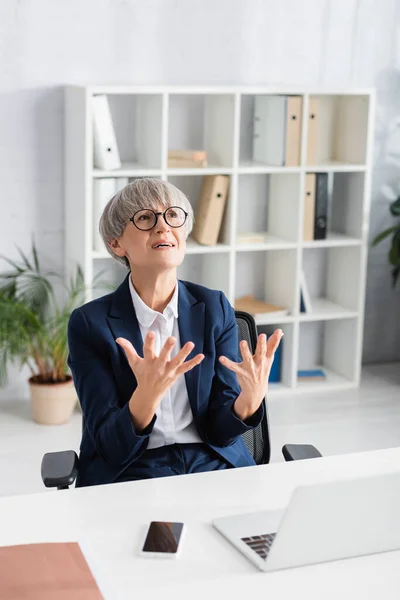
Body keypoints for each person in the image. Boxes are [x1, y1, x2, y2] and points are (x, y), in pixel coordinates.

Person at [67, 179, 283, 487]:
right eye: (144, 218)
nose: (163, 227)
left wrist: (248, 400)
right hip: (133, 469)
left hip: (212, 460)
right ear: (117, 243)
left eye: (173, 216)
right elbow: (111, 447)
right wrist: (147, 394)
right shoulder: (90, 324)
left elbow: (220, 431)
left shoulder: (213, 306)